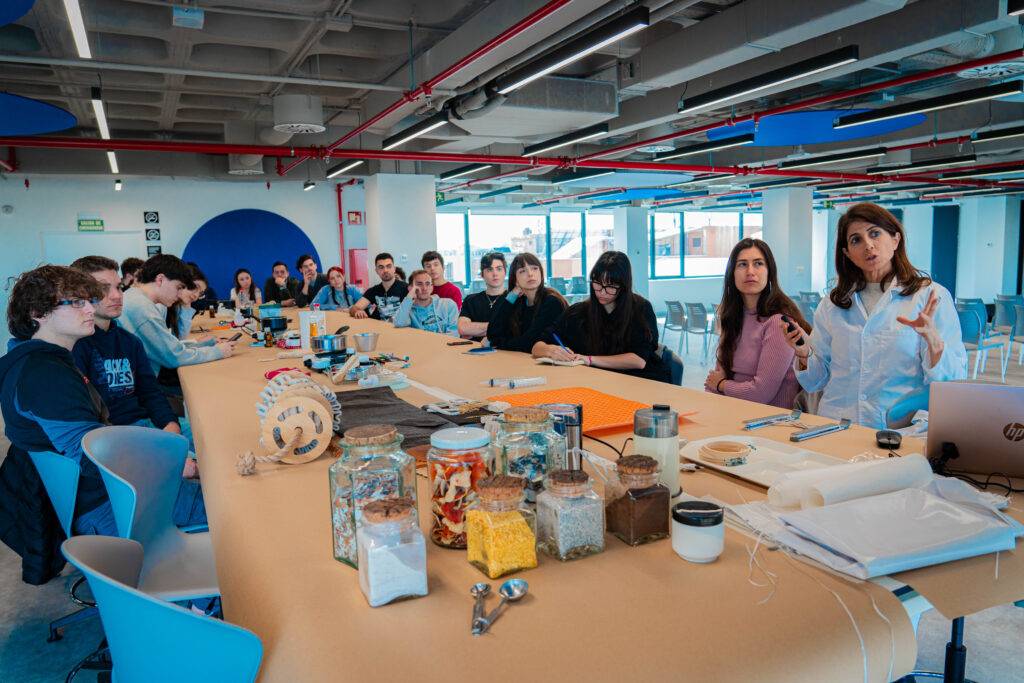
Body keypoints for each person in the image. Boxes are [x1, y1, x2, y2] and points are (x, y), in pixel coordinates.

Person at [781, 202, 968, 429]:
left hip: (897, 430)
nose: (868, 245)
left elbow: (952, 383)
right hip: (836, 425)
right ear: (847, 254)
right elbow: (815, 382)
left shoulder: (930, 297)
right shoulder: (833, 304)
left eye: (875, 233)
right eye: (856, 240)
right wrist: (804, 354)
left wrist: (934, 342)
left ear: (895, 240)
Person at [70, 257, 206, 527]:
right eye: (102, 288)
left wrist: (171, 433)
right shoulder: (77, 348)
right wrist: (166, 458)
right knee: (214, 501)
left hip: (146, 427)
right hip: (124, 442)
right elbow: (95, 433)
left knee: (212, 440)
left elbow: (150, 392)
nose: (115, 296)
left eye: (119, 287)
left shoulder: (128, 342)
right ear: (80, 296)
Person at [0, 266, 115, 582]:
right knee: (225, 514)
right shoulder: (45, 374)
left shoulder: (38, 361)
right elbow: (94, 458)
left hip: (87, 500)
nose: (91, 308)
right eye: (76, 302)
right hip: (104, 505)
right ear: (38, 313)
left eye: (89, 300)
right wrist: (168, 465)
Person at [703, 239, 810, 408]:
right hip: (733, 411)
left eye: (758, 264)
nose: (750, 271)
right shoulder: (732, 317)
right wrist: (715, 389)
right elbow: (715, 379)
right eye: (742, 264)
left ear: (769, 272)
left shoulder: (777, 323)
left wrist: (722, 385)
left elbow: (761, 393)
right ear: (732, 274)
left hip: (770, 420)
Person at [533, 251, 670, 383]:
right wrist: (550, 350)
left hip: (639, 382)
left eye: (610, 287)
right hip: (595, 382)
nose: (602, 292)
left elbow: (638, 360)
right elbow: (537, 346)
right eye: (597, 284)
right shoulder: (578, 312)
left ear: (624, 286)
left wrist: (589, 360)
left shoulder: (641, 309)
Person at [119, 254, 235, 374]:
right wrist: (217, 352)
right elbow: (173, 357)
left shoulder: (136, 298)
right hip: (145, 385)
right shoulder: (143, 308)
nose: (179, 294)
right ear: (160, 280)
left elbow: (168, 348)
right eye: (178, 287)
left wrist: (205, 344)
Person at [487, 252, 567, 352]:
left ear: (541, 274)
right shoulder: (520, 303)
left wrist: (499, 344)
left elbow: (530, 343)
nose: (530, 274)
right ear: (515, 280)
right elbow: (492, 333)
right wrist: (513, 294)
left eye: (534, 268)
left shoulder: (552, 302)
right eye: (522, 271)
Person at [392, 269, 459, 337]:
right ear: (410, 288)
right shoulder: (407, 310)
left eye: (427, 284)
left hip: (446, 346)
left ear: (432, 287)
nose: (424, 288)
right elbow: (398, 323)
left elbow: (455, 334)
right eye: (419, 284)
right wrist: (409, 296)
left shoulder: (448, 304)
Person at [458, 252, 507, 340]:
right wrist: (502, 327)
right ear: (482, 275)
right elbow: (463, 329)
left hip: (507, 352)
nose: (495, 274)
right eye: (489, 270)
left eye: (499, 269)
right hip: (474, 351)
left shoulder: (514, 299)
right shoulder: (471, 300)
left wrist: (474, 330)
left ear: (505, 272)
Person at [350, 252, 409, 321]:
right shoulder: (373, 291)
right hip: (379, 329)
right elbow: (354, 308)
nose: (385, 270)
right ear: (376, 271)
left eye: (388, 266)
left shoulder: (406, 288)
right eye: (381, 267)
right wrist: (357, 311)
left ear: (394, 269)